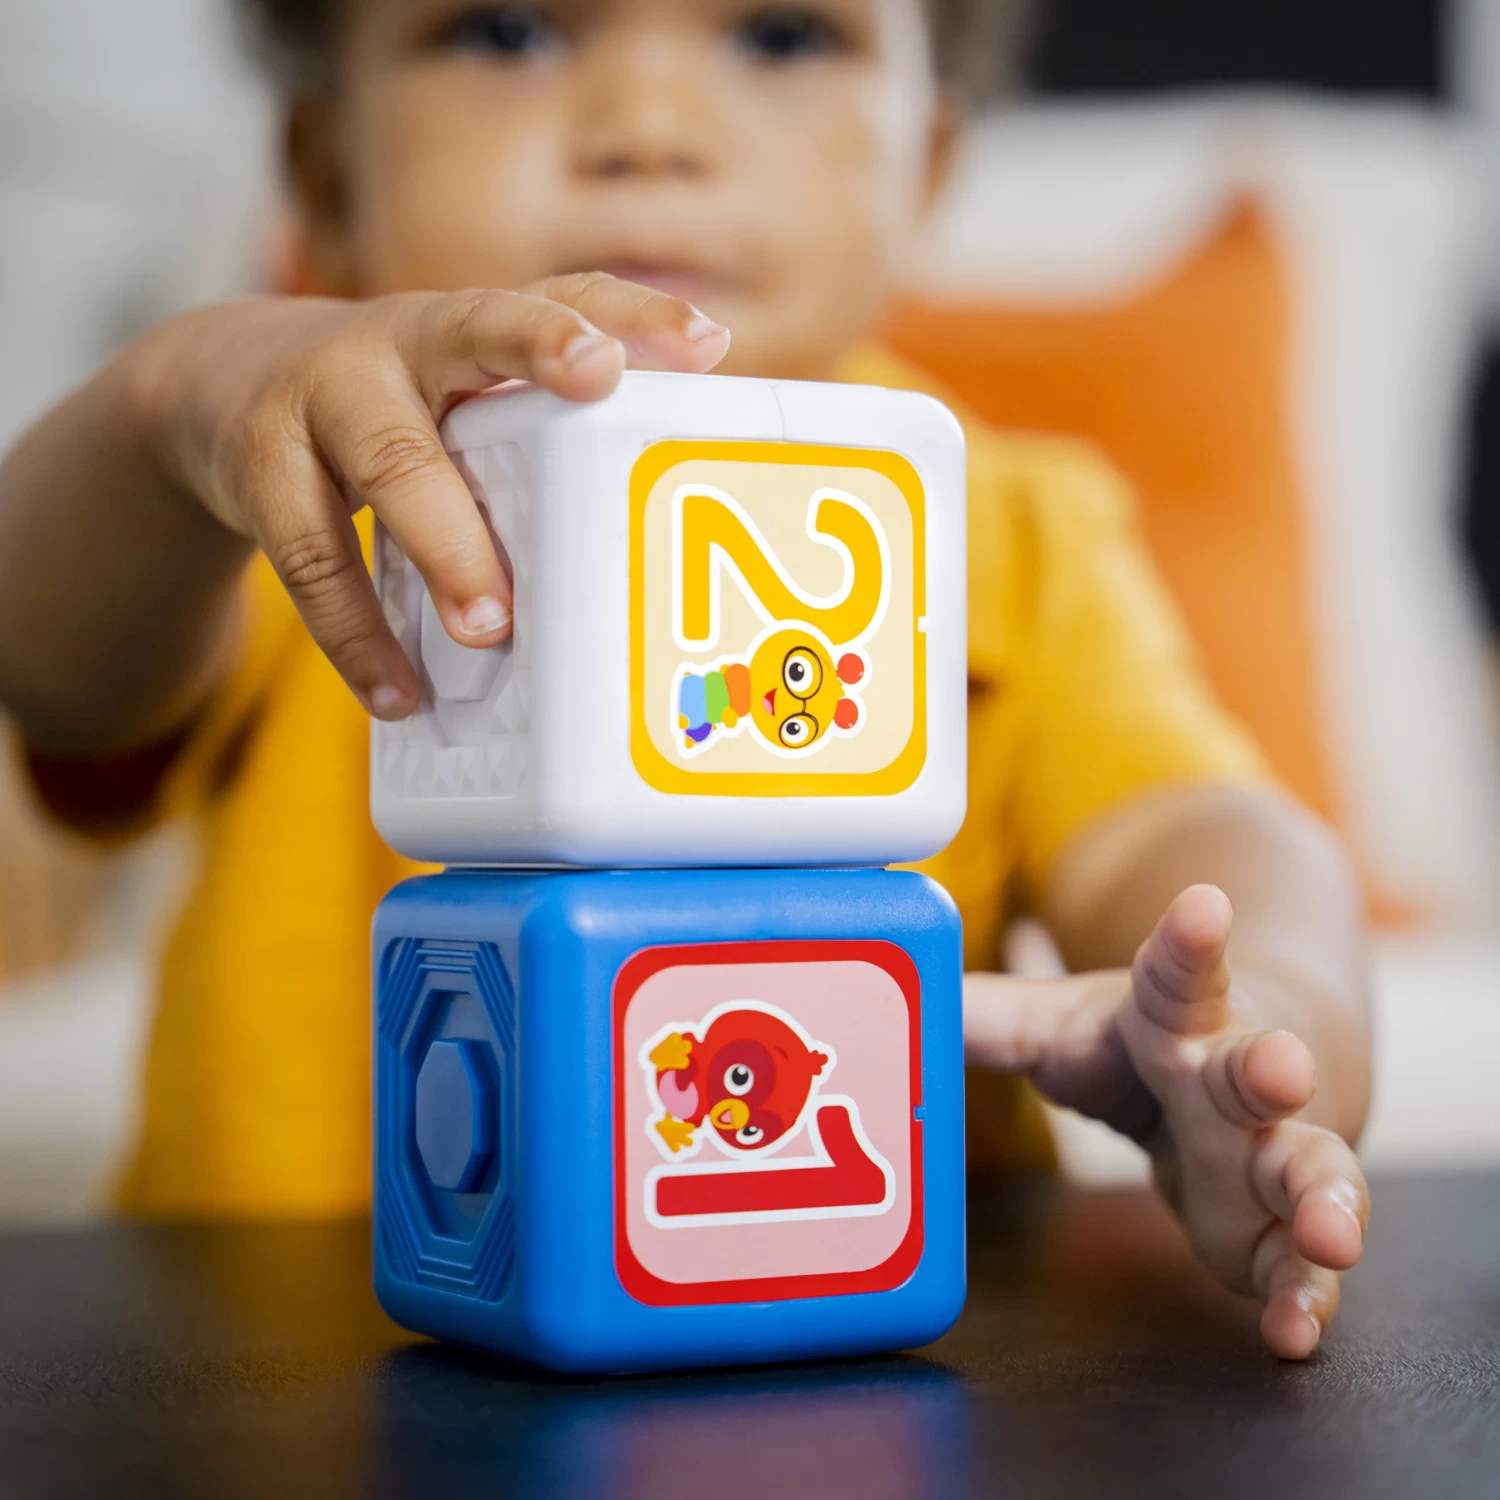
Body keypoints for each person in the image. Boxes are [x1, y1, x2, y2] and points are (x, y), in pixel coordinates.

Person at [0, 0, 1369, 1359]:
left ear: (926, 170)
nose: (648, 129)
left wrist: (1258, 1028)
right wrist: (170, 409)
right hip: (270, 1380)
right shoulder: (298, 492)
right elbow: (49, 669)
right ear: (323, 166)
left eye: (781, 38)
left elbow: (1197, 830)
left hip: (865, 1392)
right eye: (507, 33)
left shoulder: (1011, 532)